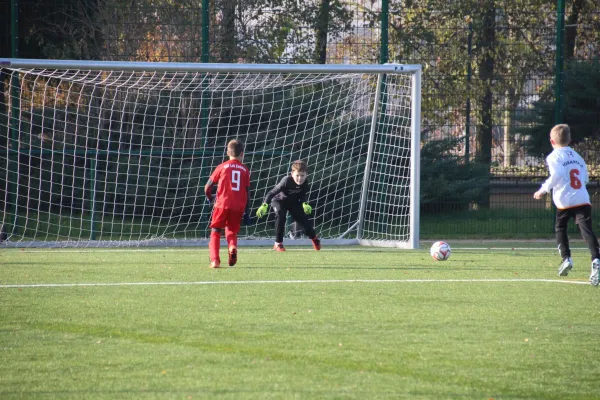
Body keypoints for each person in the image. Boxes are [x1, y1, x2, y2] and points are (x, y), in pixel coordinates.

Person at [533, 124, 600, 286]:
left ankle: (566, 258)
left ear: (551, 141)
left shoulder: (553, 156)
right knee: (587, 231)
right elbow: (585, 178)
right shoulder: (577, 157)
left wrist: (543, 190)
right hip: (582, 198)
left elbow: (557, 175)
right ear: (569, 140)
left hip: (564, 201)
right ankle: (596, 260)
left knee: (560, 228)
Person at [204, 139, 251, 268]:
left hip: (221, 204)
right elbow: (248, 192)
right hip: (238, 207)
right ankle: (232, 247)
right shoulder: (245, 170)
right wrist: (247, 212)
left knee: (215, 231)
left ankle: (215, 260)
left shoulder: (221, 167)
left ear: (227, 152)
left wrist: (210, 198)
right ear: (242, 153)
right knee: (231, 231)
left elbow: (207, 187)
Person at [256, 160, 321, 252]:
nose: (300, 178)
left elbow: (302, 195)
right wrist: (264, 205)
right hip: (279, 201)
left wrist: (304, 203)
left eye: (302, 175)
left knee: (304, 221)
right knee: (280, 216)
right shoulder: (286, 181)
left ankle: (314, 239)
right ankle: (278, 244)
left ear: (306, 174)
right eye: (297, 175)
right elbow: (271, 192)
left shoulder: (305, 183)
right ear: (292, 174)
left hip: (293, 202)